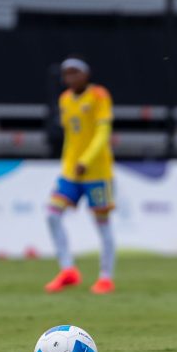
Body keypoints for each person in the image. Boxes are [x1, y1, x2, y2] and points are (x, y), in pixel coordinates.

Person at [45, 57, 116, 294]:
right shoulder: (65, 99)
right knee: (52, 215)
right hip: (71, 173)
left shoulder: (99, 96)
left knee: (102, 224)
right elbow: (70, 137)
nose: (71, 77)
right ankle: (68, 270)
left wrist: (85, 160)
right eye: (67, 73)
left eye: (75, 72)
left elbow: (102, 133)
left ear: (86, 74)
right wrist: (68, 165)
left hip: (97, 172)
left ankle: (105, 277)